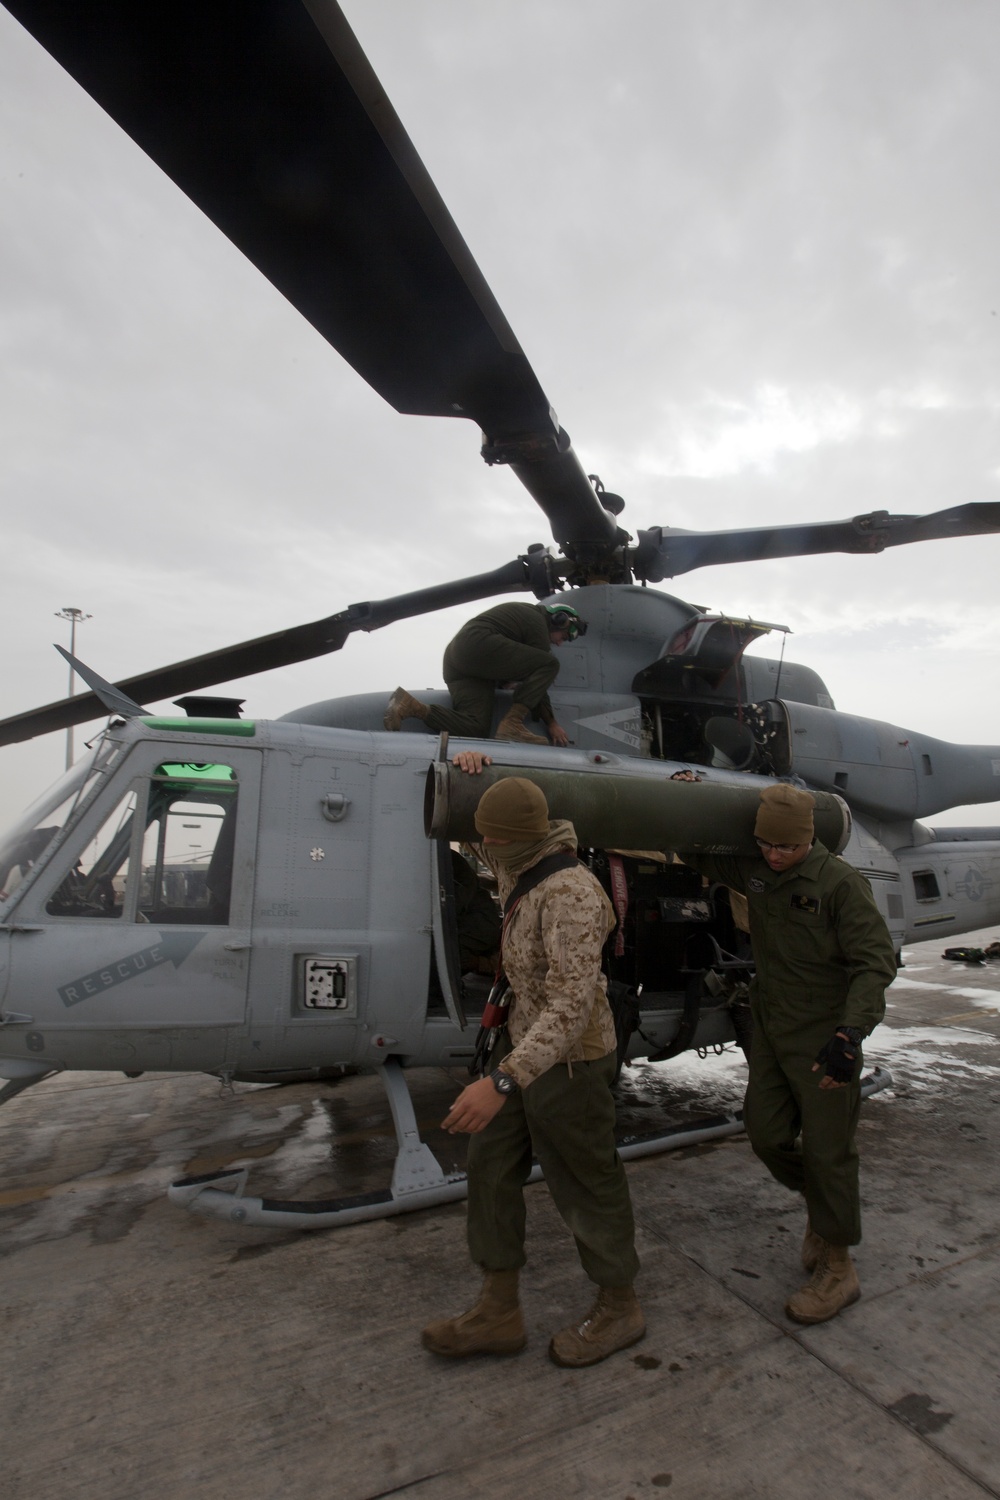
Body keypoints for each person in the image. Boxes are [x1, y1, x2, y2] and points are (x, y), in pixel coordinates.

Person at [421, 751, 644, 1367]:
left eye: (494, 834)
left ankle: (621, 1306)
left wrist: (502, 1080)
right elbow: (478, 835)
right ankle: (498, 1311)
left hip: (571, 1063)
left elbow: (572, 1007)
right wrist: (474, 773)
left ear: (520, 836)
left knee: (585, 1184)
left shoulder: (569, 891)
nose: (483, 844)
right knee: (491, 1170)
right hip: (522, 1050)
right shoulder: (518, 857)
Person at [679, 782, 896, 1324]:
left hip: (825, 1038)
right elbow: (698, 852)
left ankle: (839, 1268)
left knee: (829, 1151)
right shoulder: (758, 872)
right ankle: (825, 1212)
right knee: (766, 1132)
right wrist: (686, 798)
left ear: (808, 840)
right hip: (773, 1030)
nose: (774, 856)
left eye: (785, 848)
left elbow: (875, 963)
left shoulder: (840, 884)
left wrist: (851, 1035)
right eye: (766, 846)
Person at [384, 601, 584, 746]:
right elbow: (539, 676)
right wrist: (552, 723)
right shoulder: (536, 622)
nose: (559, 642)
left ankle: (411, 706)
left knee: (476, 727)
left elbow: (512, 658)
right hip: (478, 644)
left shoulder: (524, 617)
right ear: (559, 620)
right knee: (549, 664)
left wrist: (507, 680)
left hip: (458, 661)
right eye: (563, 636)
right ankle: (512, 725)